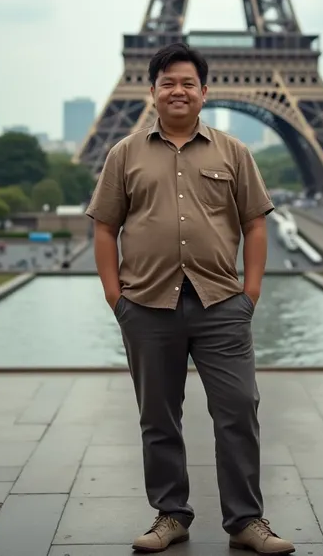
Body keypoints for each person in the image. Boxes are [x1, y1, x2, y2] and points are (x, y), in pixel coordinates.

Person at [86, 43, 295, 555]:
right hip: (148, 305)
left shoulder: (234, 152)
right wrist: (117, 299)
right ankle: (171, 514)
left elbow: (255, 224)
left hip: (221, 303)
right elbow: (105, 227)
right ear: (151, 90)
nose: (177, 91)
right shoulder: (124, 154)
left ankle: (246, 520)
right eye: (167, 82)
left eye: (187, 83)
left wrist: (250, 294)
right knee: (158, 417)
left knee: (239, 410)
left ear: (204, 91)